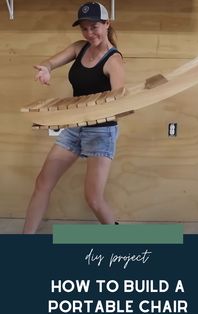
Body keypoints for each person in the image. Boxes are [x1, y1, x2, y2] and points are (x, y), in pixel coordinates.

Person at [23, 2, 124, 233]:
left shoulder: (113, 61)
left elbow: (119, 104)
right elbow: (50, 62)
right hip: (74, 127)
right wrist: (47, 68)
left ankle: (121, 241)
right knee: (42, 183)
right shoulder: (80, 48)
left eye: (94, 27)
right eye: (84, 28)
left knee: (94, 199)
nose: (89, 33)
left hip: (102, 130)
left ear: (107, 24)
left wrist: (85, 113)